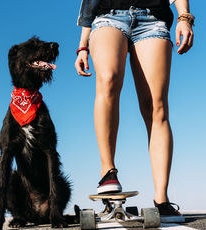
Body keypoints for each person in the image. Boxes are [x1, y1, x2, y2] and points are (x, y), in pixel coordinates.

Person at [74, 0, 194, 216]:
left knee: (156, 106)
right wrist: (83, 45)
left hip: (153, 19)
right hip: (108, 17)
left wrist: (184, 17)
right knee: (108, 79)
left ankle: (162, 200)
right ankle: (108, 171)